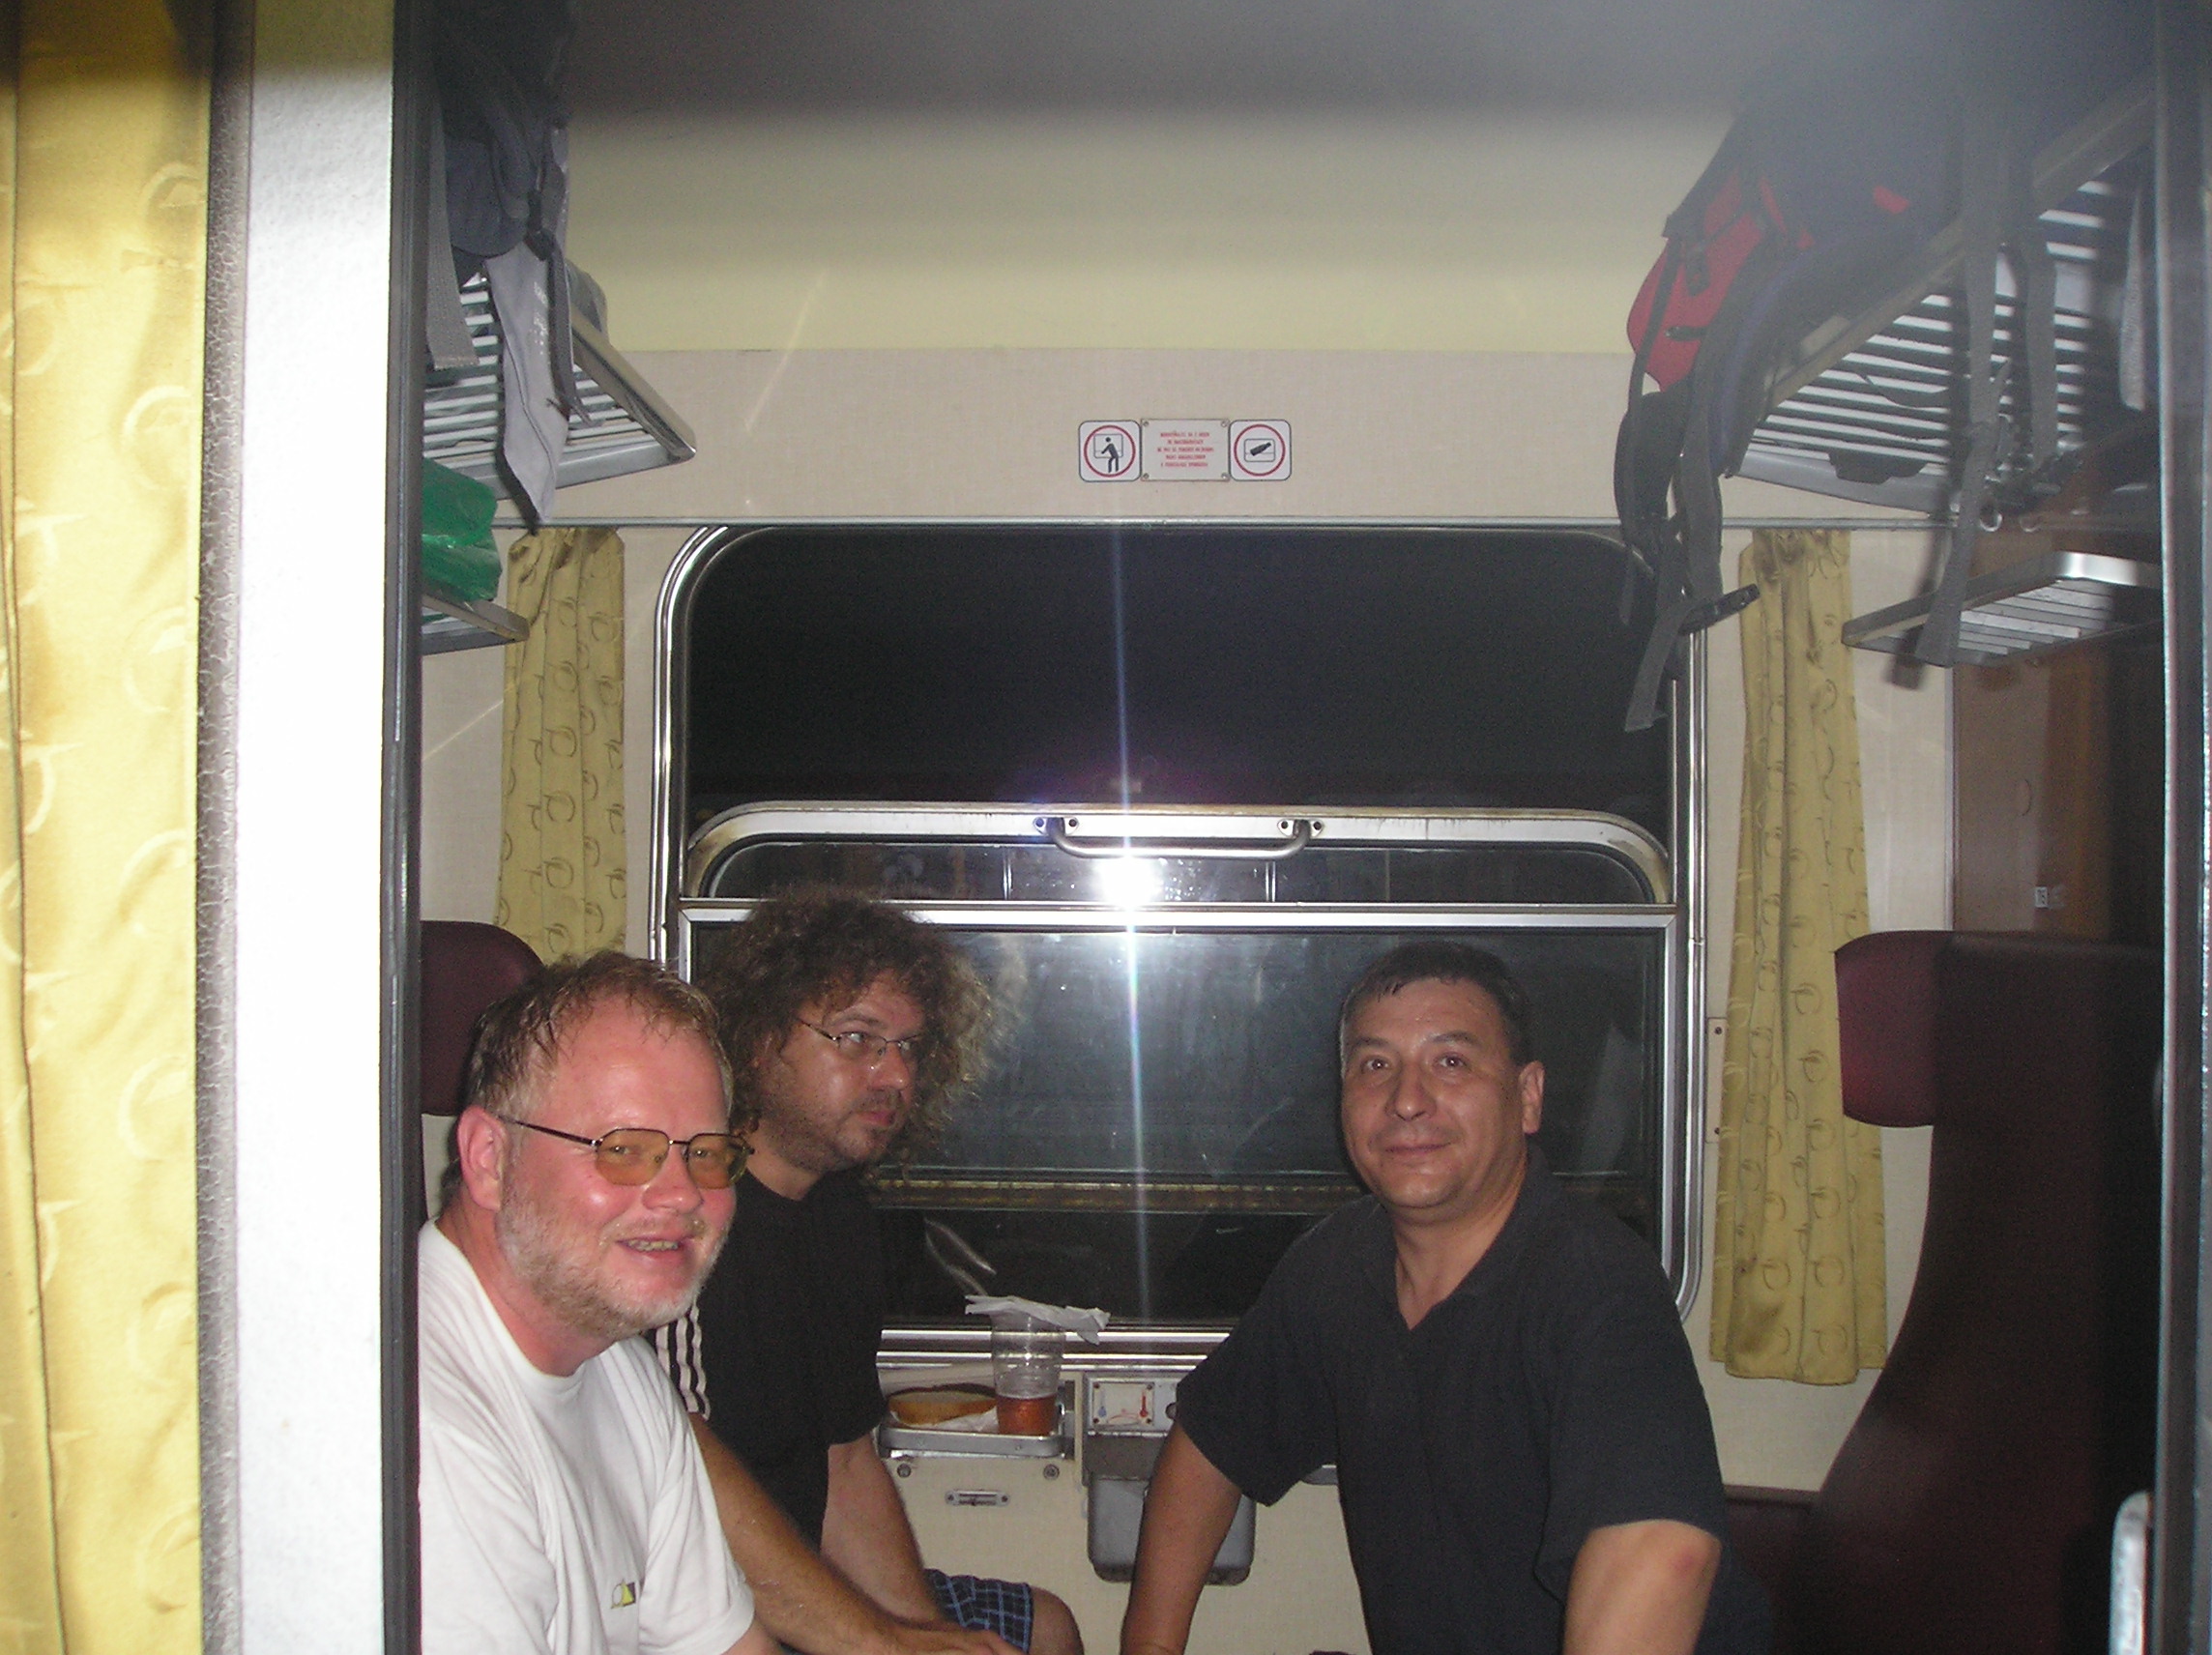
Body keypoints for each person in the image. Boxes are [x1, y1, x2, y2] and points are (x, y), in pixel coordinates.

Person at [1120, 942, 1768, 1655]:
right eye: (1375, 1066)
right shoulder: (1338, 1266)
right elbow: (1213, 1442)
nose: (1406, 1100)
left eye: (1450, 1062)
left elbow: (1661, 1553)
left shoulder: (1595, 1284)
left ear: (1528, 1097)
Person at [657, 889, 1084, 1655]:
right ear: (758, 1040)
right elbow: (681, 1494)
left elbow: (847, 1467)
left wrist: (926, 1636)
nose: (895, 1077)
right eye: (857, 1039)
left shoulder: (841, 1215)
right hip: (701, 1600)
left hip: (806, 1576)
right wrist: (879, 1643)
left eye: (909, 1048)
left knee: (1043, 1630)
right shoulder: (682, 1220)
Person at [420, 950, 775, 1655]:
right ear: (489, 1158)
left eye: (705, 1153)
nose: (681, 1194)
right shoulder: (423, 1424)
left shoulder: (620, 1372)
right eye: (624, 1150)